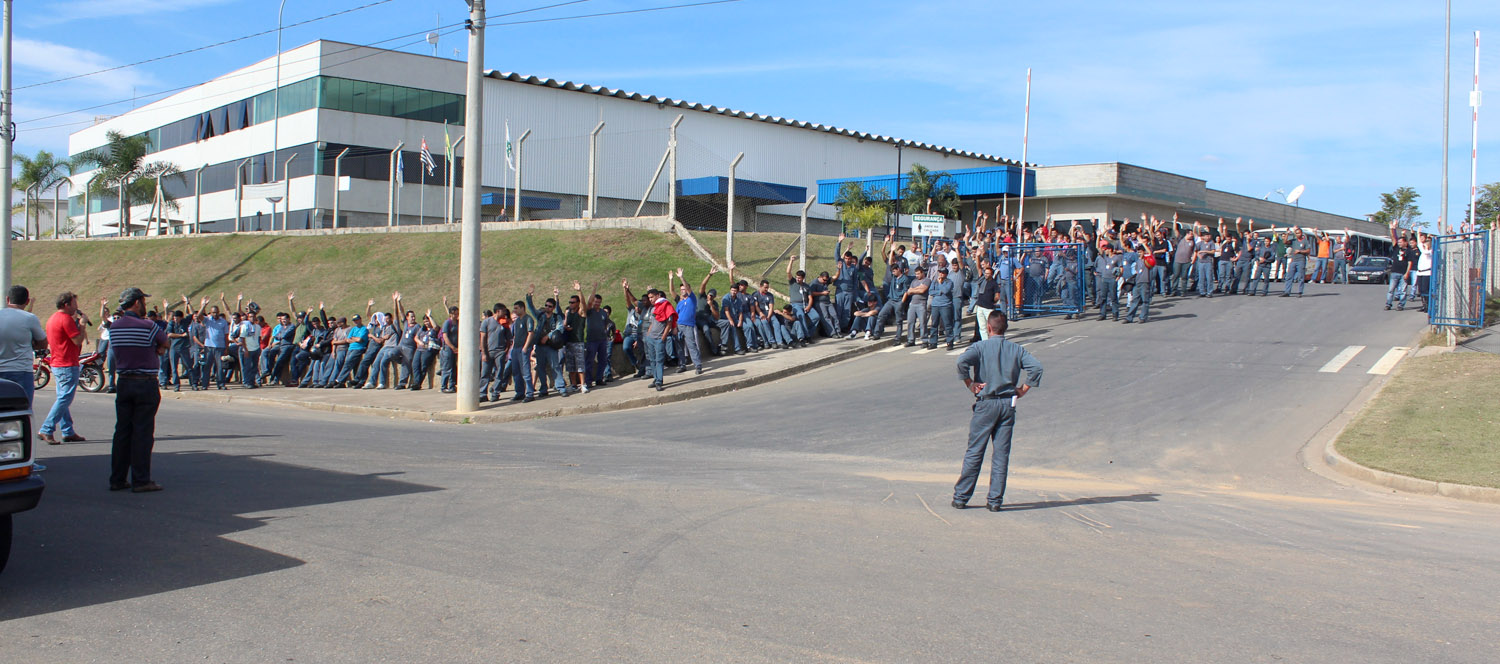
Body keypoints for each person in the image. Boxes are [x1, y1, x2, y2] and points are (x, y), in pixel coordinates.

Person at [952, 311, 1043, 512]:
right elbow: (1036, 368)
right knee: (1001, 454)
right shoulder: (1016, 350)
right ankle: (995, 500)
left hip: (986, 403)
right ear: (1005, 329)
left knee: (975, 451)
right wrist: (1023, 390)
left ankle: (961, 497)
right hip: (1007, 404)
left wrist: (970, 384)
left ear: (989, 328)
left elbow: (961, 362)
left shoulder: (980, 347)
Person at [108, 287, 169, 493]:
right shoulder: (148, 326)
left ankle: (117, 478)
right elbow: (165, 342)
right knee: (143, 432)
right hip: (145, 383)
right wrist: (156, 349)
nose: (144, 305)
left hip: (124, 382)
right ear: (136, 303)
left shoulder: (114, 327)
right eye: (143, 301)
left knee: (122, 432)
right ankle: (141, 480)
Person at [40, 291, 90, 444]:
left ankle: (67, 430)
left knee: (63, 398)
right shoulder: (66, 319)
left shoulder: (53, 318)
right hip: (66, 363)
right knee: (65, 398)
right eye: (75, 303)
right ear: (66, 304)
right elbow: (77, 340)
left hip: (57, 362)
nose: (77, 306)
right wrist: (81, 326)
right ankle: (47, 428)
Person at [0, 285, 47, 408]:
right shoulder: (29, 318)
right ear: (27, 301)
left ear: (7, 299)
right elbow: (42, 342)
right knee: (21, 411)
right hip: (21, 371)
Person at [1281, 227, 1313, 298]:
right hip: (1293, 260)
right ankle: (1287, 291)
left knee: (1300, 277)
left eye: (1298, 233)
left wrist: (1300, 251)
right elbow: (1285, 242)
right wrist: (1287, 234)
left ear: (1301, 233)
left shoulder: (1305, 241)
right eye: (1296, 233)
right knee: (1289, 276)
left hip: (1301, 260)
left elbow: (1308, 250)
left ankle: (1300, 292)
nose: (1297, 234)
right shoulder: (1294, 241)